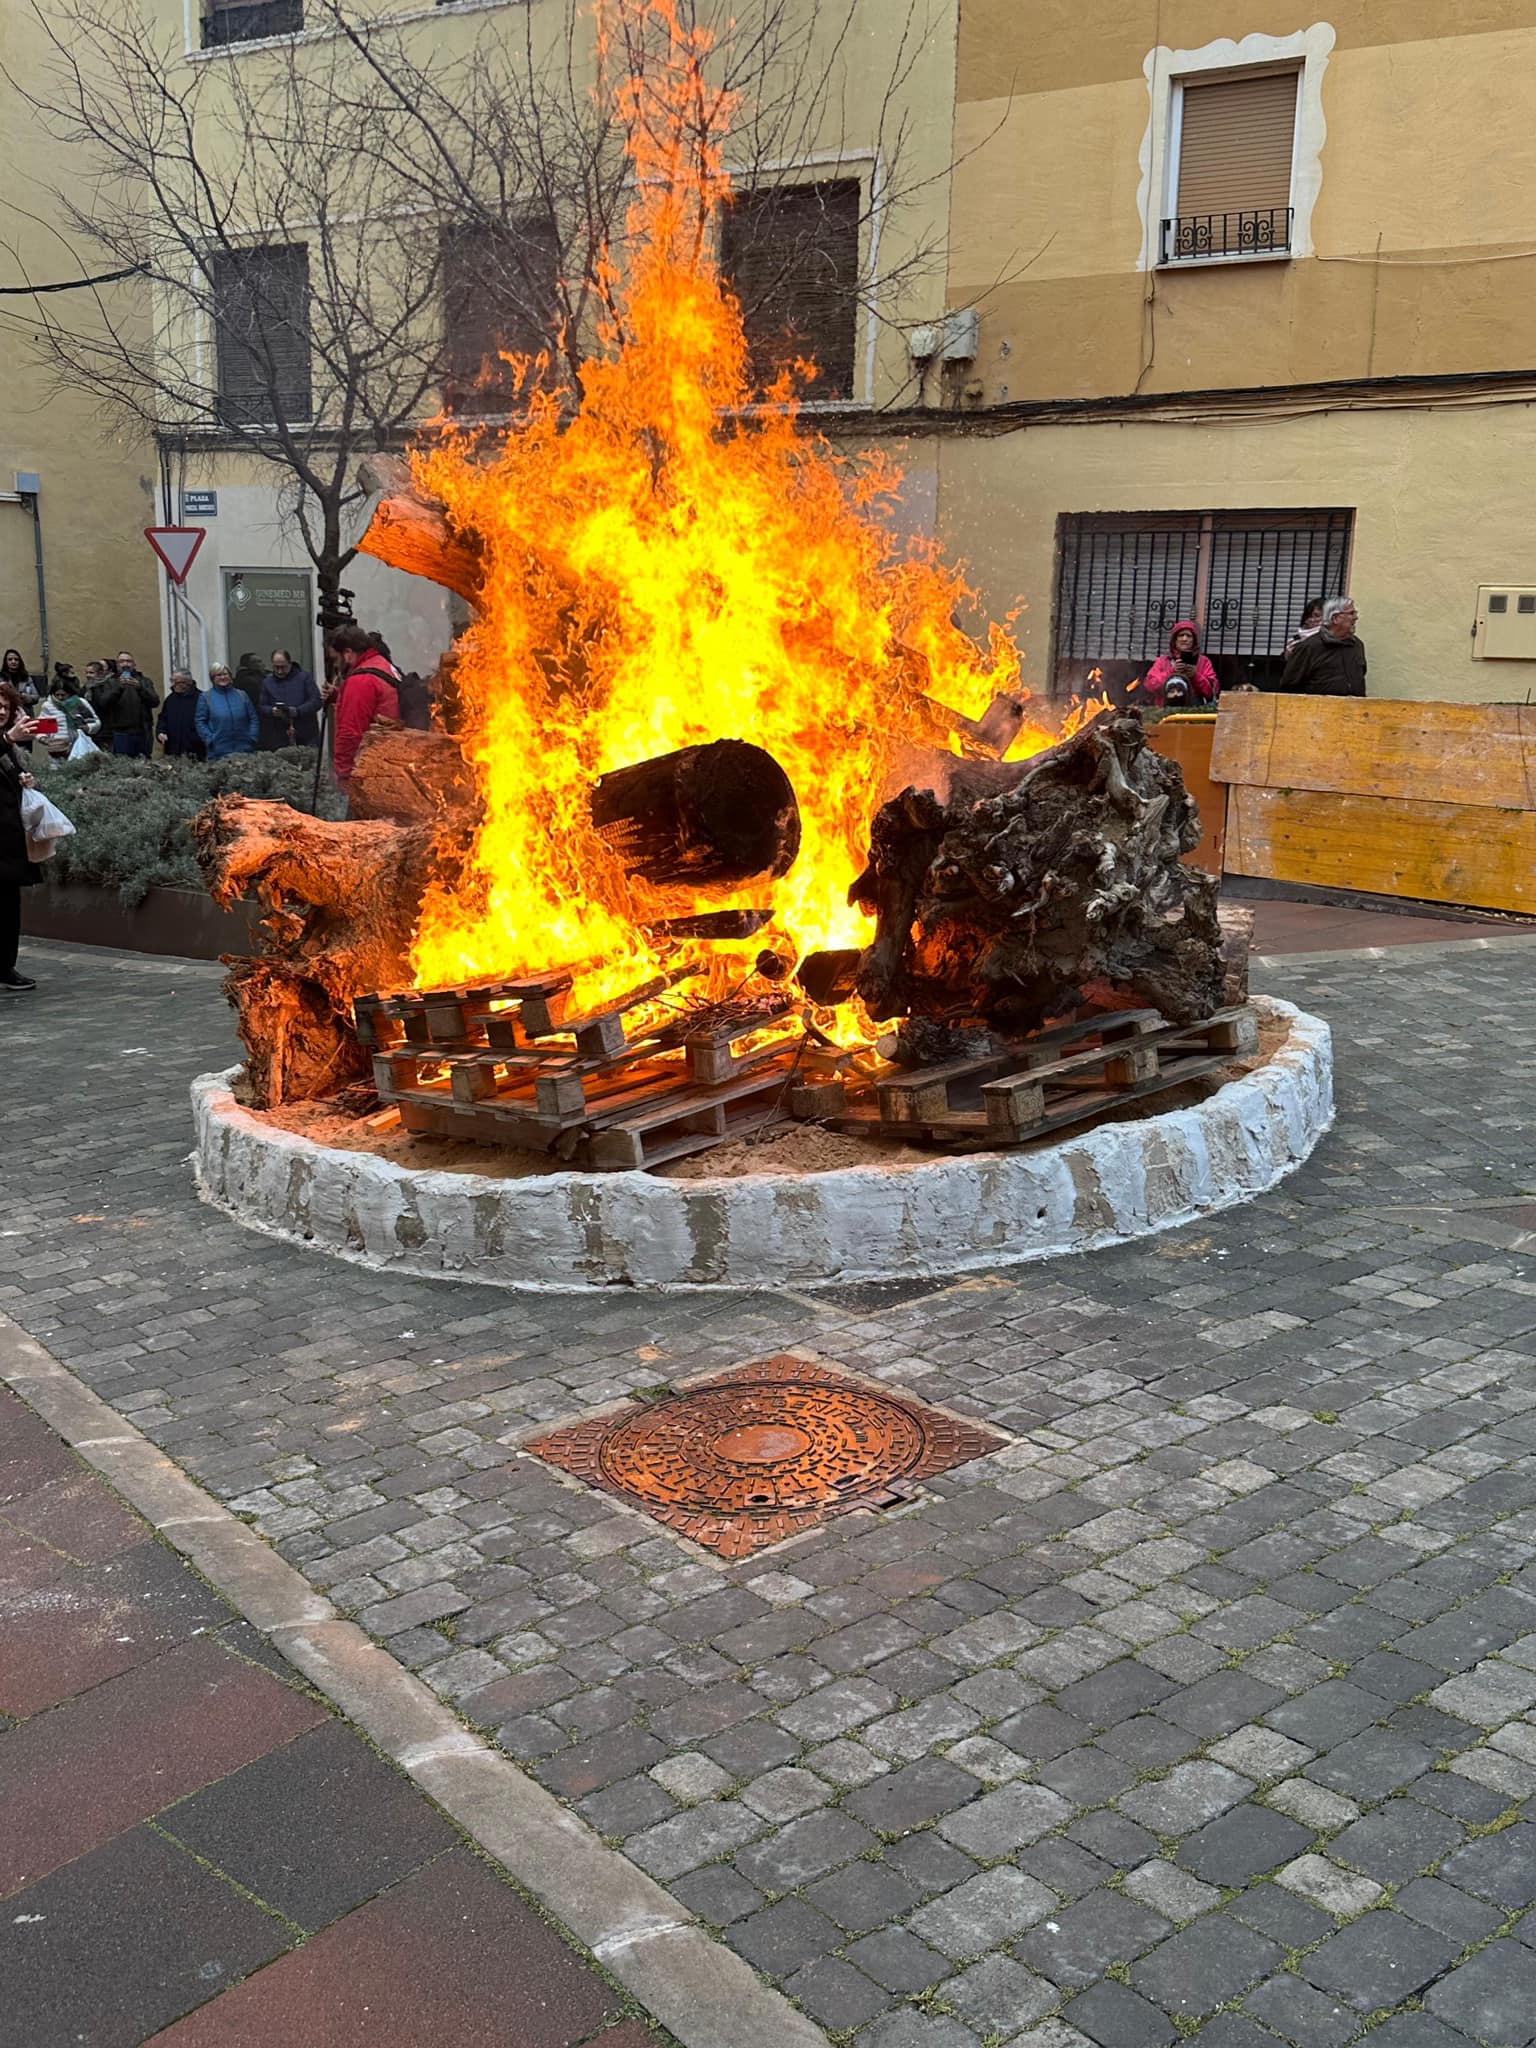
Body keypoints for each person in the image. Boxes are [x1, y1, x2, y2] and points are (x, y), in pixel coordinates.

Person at [0, 680, 43, 992]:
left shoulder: (8, 746)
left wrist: (23, 780)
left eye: (6, 706)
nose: (2, 711)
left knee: (8, 908)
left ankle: (5, 966)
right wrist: (7, 738)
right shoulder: (4, 741)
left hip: (9, 838)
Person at [327, 624, 400, 798]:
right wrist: (340, 695)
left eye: (335, 659)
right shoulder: (383, 665)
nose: (336, 666)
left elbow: (350, 732)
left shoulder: (360, 681)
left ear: (348, 653)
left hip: (369, 773)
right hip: (390, 765)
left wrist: (344, 775)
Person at [1278, 597, 1367, 696]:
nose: (1356, 617)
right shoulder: (1309, 647)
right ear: (1335, 618)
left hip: (1355, 709)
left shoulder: (1357, 645)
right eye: (1351, 613)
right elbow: (1289, 686)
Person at [94, 652, 159, 756]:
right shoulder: (110, 682)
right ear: (117, 665)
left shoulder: (144, 681)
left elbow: (155, 702)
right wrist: (119, 688)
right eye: (122, 661)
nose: (125, 664)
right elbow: (103, 703)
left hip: (142, 732)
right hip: (119, 733)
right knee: (122, 764)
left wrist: (140, 688)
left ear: (134, 664)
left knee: (144, 764)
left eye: (128, 661)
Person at [1141, 620, 1220, 706]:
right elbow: (1150, 685)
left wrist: (1196, 676)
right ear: (1174, 640)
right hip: (1165, 712)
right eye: (1181, 635)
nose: (1184, 639)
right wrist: (1171, 672)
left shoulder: (1203, 661)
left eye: (1189, 636)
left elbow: (1212, 692)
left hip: (1195, 712)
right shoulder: (1163, 661)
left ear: (1194, 640)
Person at [259, 646, 323, 750]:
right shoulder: (267, 682)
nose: (279, 671)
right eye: (276, 667)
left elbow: (316, 702)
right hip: (280, 736)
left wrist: (298, 711)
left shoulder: (304, 678)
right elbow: (262, 706)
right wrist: (272, 711)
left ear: (290, 663)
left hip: (307, 734)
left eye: (283, 667)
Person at [196, 664, 261, 759]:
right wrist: (210, 739)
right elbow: (200, 721)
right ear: (213, 678)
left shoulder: (242, 695)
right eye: (218, 675)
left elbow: (253, 718)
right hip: (218, 751)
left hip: (244, 749)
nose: (222, 677)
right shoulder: (206, 697)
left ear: (230, 676)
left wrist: (252, 737)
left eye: (225, 674)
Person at [156, 670, 205, 759]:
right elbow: (163, 719)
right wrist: (161, 732)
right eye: (172, 681)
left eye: (177, 682)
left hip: (196, 750)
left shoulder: (201, 698)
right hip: (173, 750)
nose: (173, 685)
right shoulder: (170, 700)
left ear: (188, 682)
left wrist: (197, 739)